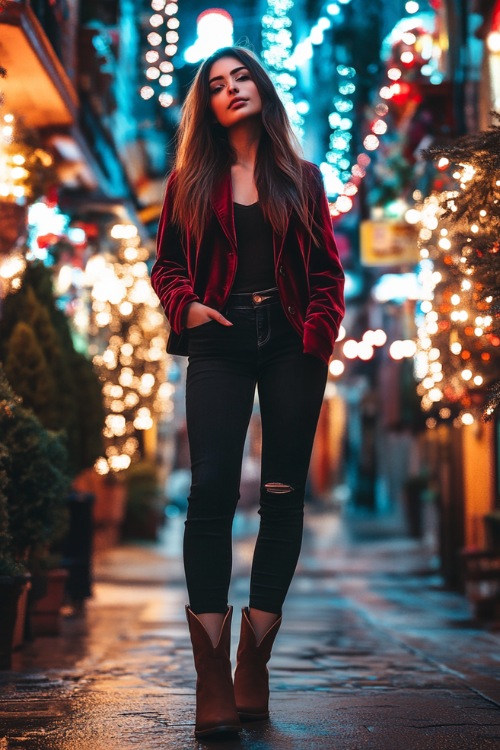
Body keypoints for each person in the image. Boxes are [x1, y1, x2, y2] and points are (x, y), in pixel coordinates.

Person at [151, 45, 345, 739]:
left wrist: (318, 333)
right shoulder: (188, 182)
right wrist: (190, 308)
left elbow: (327, 269)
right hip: (218, 341)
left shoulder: (304, 178)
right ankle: (211, 672)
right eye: (216, 84)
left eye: (242, 77)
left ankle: (254, 658)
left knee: (284, 495)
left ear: (263, 88)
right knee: (210, 493)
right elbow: (167, 265)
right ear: (205, 105)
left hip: (293, 339)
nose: (232, 89)